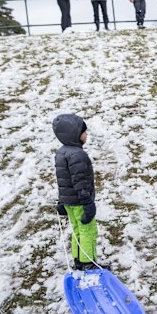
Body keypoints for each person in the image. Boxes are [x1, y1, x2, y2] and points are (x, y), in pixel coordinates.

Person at [53, 114, 104, 271]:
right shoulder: (78, 155)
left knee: (77, 229)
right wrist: (88, 202)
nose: (86, 135)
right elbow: (79, 182)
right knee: (88, 230)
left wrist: (62, 200)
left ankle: (78, 260)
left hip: (69, 202)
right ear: (74, 135)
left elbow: (64, 179)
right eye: (84, 132)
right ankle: (89, 263)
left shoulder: (61, 152)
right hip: (80, 201)